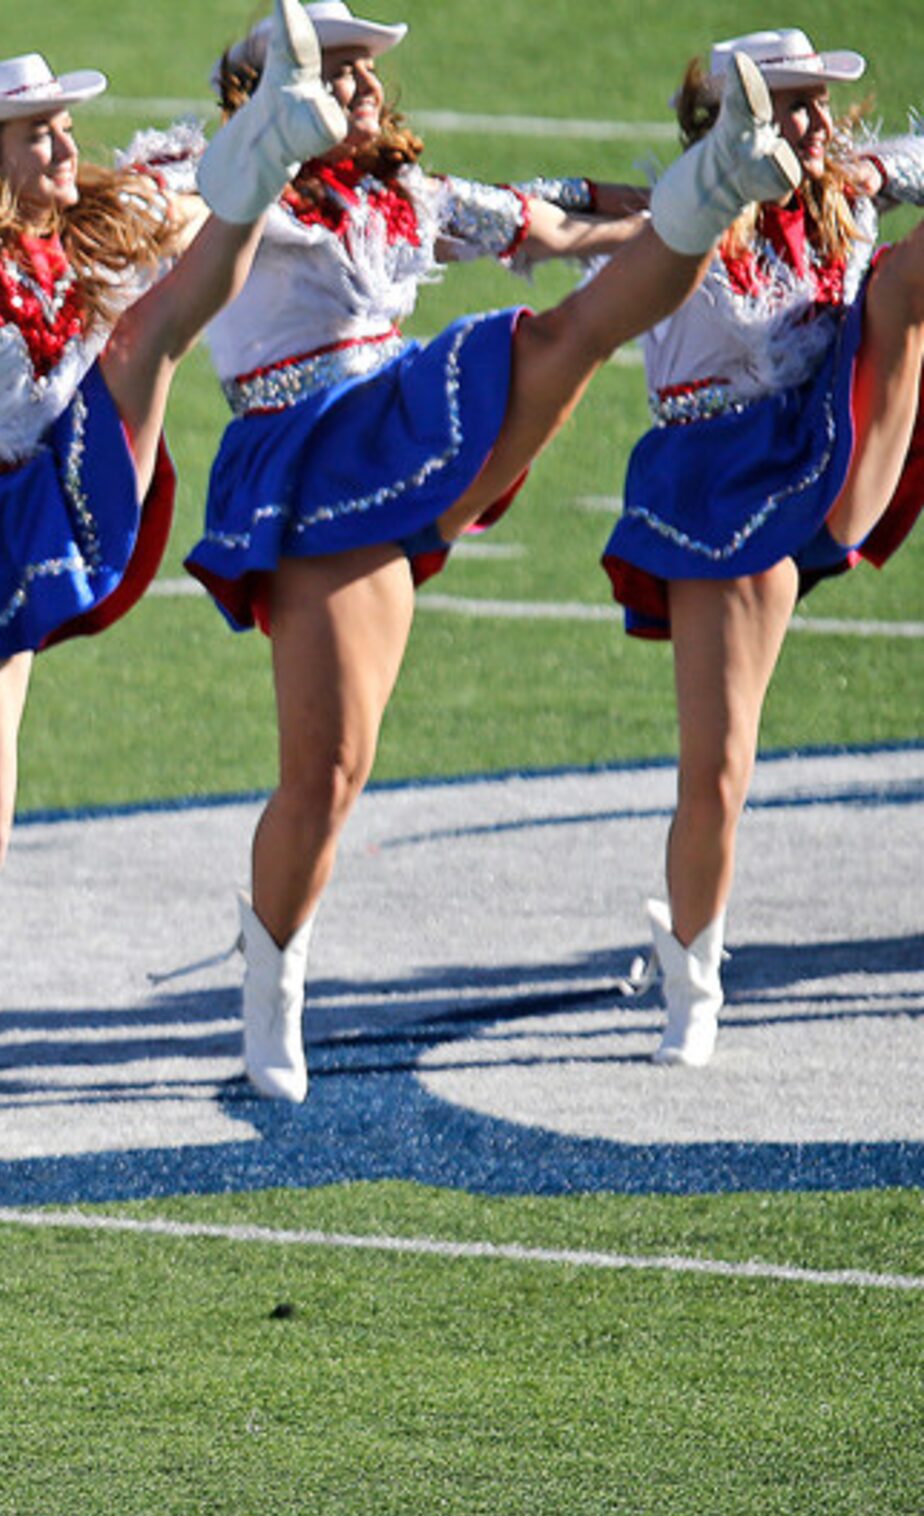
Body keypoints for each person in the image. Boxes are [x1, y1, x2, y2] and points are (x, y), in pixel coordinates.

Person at [180, 4, 801, 1101]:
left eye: (371, 71)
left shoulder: (406, 197)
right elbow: (178, 212)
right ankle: (273, 973)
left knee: (564, 333)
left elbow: (548, 223)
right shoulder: (208, 174)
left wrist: (671, 207)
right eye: (340, 68)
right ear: (269, 81)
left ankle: (718, 184)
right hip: (306, 462)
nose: (366, 87)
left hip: (407, 420)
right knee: (329, 774)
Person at [0, 7, 346, 1159]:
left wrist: (244, 164)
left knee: (148, 334)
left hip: (68, 488)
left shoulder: (98, 235)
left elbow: (188, 231)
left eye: (64, 130)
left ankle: (274, 142)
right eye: (37, 137)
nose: (65, 150)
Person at [602, 29, 922, 1066]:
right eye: (792, 104)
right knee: (720, 772)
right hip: (717, 485)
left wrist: (874, 170)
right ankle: (695, 976)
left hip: (826, 455)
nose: (817, 124)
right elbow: (549, 219)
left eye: (820, 103)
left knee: (901, 288)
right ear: (732, 121)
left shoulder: (844, 193)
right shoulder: (680, 219)